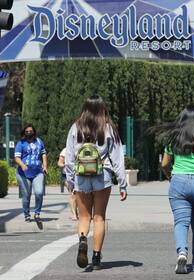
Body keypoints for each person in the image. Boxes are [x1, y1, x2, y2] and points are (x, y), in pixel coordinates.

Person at [153, 105, 194, 274]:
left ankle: (182, 252)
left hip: (179, 183)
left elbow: (164, 164)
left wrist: (170, 177)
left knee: (181, 223)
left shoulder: (175, 140)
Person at [65, 95, 127, 270]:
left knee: (84, 217)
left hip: (81, 176)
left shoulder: (75, 127)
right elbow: (117, 158)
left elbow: (69, 157)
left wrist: (70, 180)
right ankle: (97, 258)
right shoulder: (107, 128)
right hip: (103, 175)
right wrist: (122, 184)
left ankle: (83, 238)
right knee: (99, 218)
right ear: (102, 108)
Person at [15, 123, 48, 223]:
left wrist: (45, 166)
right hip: (23, 174)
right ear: (24, 132)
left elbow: (43, 154)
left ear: (34, 132)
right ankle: (27, 215)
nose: (29, 133)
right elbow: (17, 157)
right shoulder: (21, 143)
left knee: (39, 192)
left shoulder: (39, 141)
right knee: (26, 194)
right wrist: (22, 165)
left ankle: (37, 213)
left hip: (38, 172)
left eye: (31, 131)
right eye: (27, 132)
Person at [58, 147, 78, 220]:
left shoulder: (81, 149)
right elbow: (59, 163)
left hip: (79, 175)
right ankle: (74, 214)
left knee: (78, 195)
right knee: (72, 193)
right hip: (66, 176)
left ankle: (77, 212)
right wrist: (67, 165)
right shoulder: (65, 150)